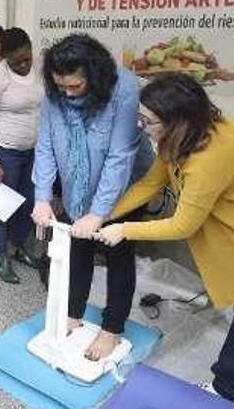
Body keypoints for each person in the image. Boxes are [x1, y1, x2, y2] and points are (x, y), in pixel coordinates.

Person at [95, 74, 234, 407]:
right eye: (140, 118)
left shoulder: (211, 155)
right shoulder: (181, 137)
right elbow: (151, 183)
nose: (142, 127)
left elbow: (183, 225)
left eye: (148, 121)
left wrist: (123, 229)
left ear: (177, 120)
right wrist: (104, 213)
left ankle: (231, 392)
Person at [30, 33, 154, 361]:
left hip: (124, 187)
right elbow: (45, 144)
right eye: (61, 86)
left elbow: (120, 157)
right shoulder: (56, 89)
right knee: (78, 248)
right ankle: (73, 312)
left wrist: (98, 213)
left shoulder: (124, 89)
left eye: (75, 87)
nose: (66, 93)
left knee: (118, 255)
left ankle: (112, 328)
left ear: (94, 76)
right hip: (77, 184)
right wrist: (42, 197)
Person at [0, 27, 43, 283]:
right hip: (3, 152)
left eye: (27, 58)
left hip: (32, 151)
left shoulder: (39, 70)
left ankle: (19, 247)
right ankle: (1, 256)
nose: (24, 65)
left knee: (28, 203)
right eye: (16, 62)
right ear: (6, 58)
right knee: (0, 206)